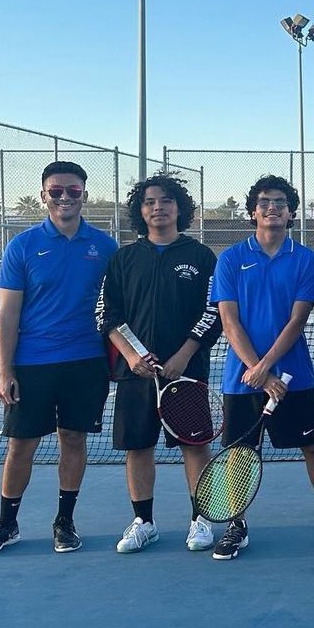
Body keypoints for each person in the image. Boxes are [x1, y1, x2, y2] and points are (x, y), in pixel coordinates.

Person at [0, 161, 118, 556]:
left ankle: (64, 522)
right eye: (56, 191)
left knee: (73, 438)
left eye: (73, 191)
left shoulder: (105, 247)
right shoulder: (21, 246)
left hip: (86, 362)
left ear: (85, 195)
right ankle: (7, 524)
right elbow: (8, 314)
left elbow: (119, 308)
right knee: (21, 445)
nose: (65, 198)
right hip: (32, 364)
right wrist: (6, 371)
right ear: (44, 196)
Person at [209, 175, 314, 561]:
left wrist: (268, 369)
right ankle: (236, 523)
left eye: (281, 203)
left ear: (290, 214)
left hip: (292, 377)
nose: (272, 207)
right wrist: (257, 370)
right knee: (238, 454)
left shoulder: (303, 258)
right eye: (265, 202)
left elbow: (298, 319)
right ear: (253, 211)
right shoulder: (232, 258)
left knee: (312, 446)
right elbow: (229, 320)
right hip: (243, 379)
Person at [96, 174, 222, 553]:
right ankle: (144, 521)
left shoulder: (200, 256)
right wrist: (133, 356)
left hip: (187, 373)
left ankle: (201, 519)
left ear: (179, 208)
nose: (158, 207)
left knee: (195, 446)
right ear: (141, 210)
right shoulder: (124, 258)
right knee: (138, 447)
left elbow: (213, 311)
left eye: (166, 201)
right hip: (136, 375)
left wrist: (183, 355)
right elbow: (106, 313)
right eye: (150, 201)